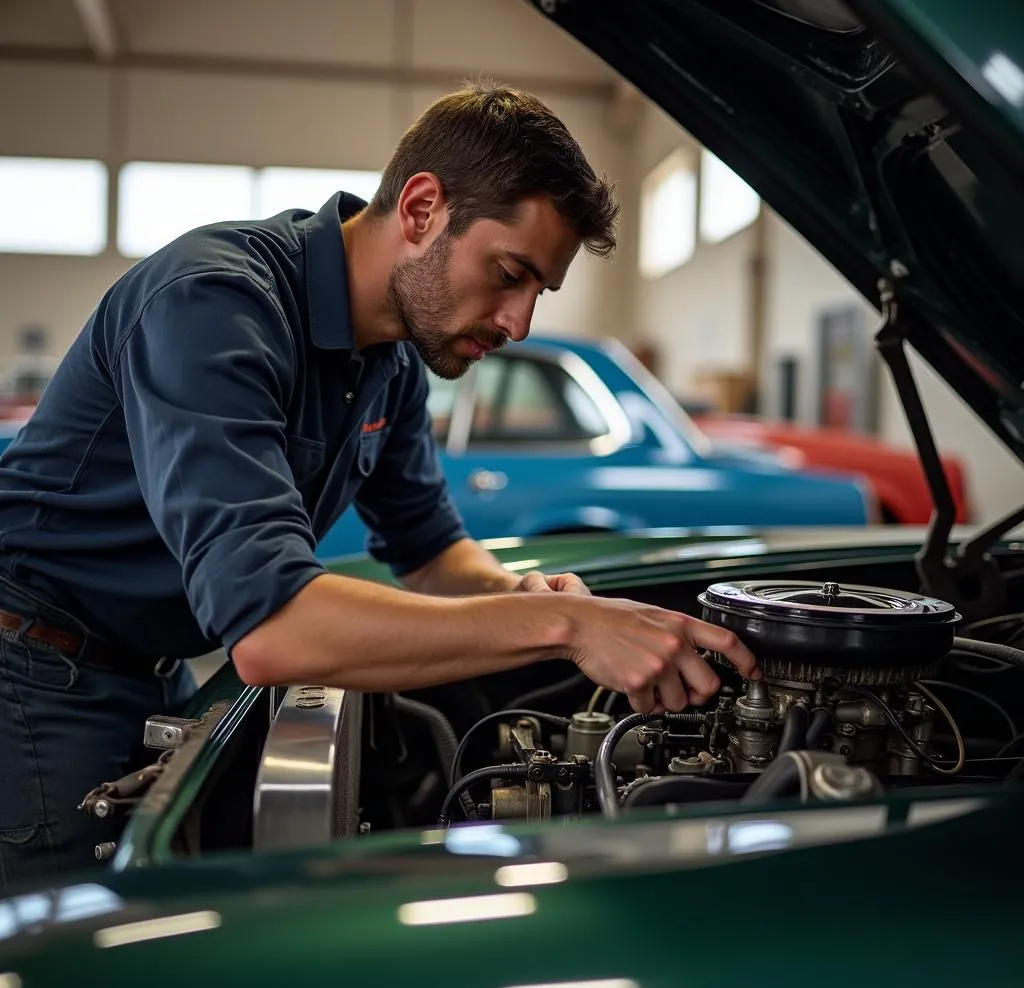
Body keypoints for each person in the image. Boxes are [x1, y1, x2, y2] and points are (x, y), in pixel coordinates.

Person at [0, 82, 759, 888]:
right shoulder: (215, 303)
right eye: (510, 273)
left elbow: (432, 553)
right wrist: (559, 624)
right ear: (424, 207)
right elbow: (272, 632)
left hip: (145, 667)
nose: (518, 323)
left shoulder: (390, 361)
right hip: (32, 673)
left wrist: (525, 594)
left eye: (538, 292)